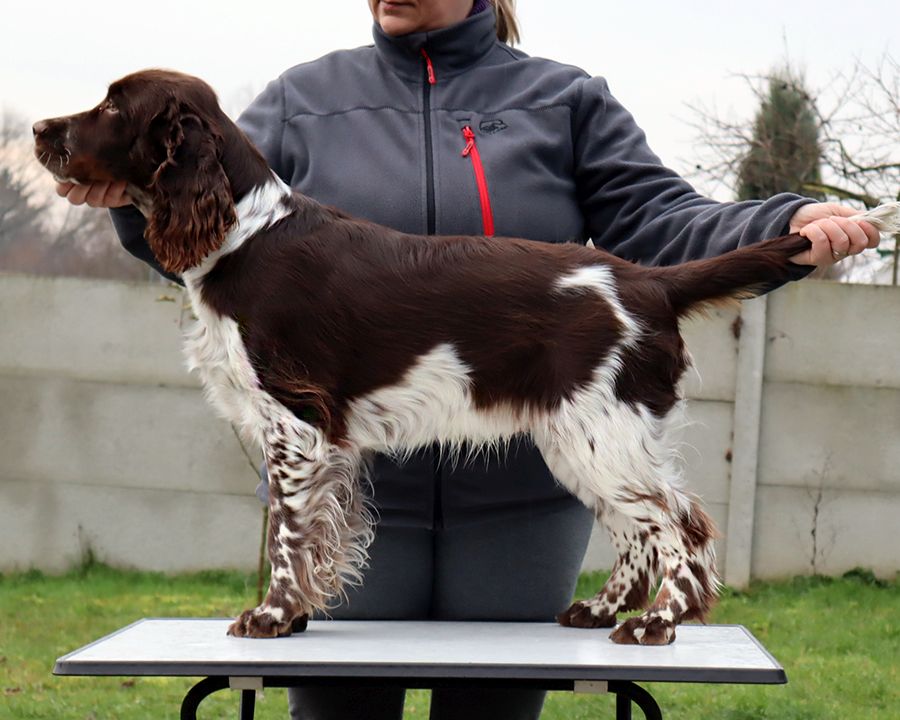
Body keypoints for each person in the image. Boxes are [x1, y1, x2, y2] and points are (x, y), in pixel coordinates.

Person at [56, 2, 880, 718]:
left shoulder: (565, 98)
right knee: (337, 708)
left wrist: (785, 226)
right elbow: (205, 214)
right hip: (373, 514)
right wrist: (127, 198)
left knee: (494, 706)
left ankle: (672, 573)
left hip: (518, 512)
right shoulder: (302, 99)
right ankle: (303, 588)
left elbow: (661, 221)